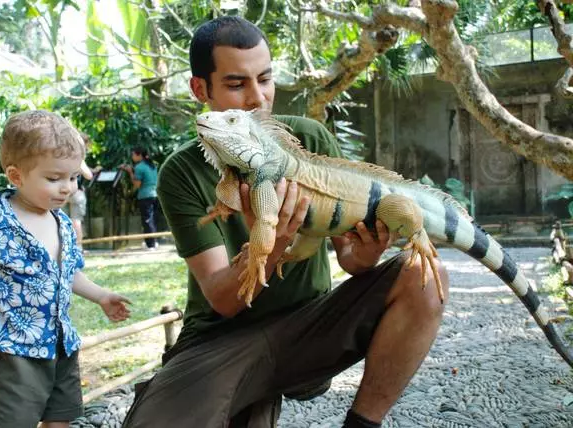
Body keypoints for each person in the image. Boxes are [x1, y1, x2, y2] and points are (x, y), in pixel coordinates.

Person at [122, 16, 449, 428]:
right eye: (237, 84)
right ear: (200, 89)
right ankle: (250, 395)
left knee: (425, 274)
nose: (258, 98)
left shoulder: (308, 140)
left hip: (308, 328)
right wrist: (274, 242)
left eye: (266, 78)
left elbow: (350, 259)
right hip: (222, 339)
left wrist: (366, 252)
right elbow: (223, 299)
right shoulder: (182, 172)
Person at [0, 110, 131, 428]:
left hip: (60, 346)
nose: (67, 188)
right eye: (54, 178)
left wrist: (101, 296)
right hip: (9, 351)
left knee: (61, 419)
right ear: (16, 177)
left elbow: (68, 273)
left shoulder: (60, 221)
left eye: (72, 177)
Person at [120, 148, 159, 250]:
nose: (132, 157)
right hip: (155, 194)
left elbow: (137, 184)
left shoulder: (139, 167)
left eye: (133, 155)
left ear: (139, 155)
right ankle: (154, 241)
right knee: (153, 219)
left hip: (145, 196)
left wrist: (130, 172)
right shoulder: (152, 165)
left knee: (147, 220)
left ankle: (151, 244)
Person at [69, 132, 101, 247]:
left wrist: (92, 169)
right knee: (76, 220)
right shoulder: (78, 156)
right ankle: (79, 248)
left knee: (62, 220)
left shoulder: (64, 155)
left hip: (63, 192)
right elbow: (87, 175)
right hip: (76, 192)